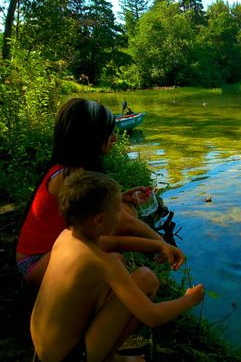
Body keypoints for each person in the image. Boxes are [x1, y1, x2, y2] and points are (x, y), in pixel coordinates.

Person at [30, 170, 205, 362]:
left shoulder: (67, 237)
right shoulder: (104, 262)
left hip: (45, 350)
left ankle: (109, 355)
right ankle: (110, 357)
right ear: (99, 220)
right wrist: (189, 300)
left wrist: (161, 245)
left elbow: (114, 243)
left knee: (137, 277)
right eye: (118, 210)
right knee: (145, 279)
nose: (123, 215)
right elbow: (152, 316)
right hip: (72, 357)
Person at [16, 98, 184, 285]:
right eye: (108, 132)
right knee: (116, 239)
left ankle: (153, 252)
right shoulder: (71, 176)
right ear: (90, 136)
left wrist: (121, 197)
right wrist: (160, 244)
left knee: (125, 208)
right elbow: (122, 223)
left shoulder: (67, 167)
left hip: (51, 252)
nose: (114, 137)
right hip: (37, 262)